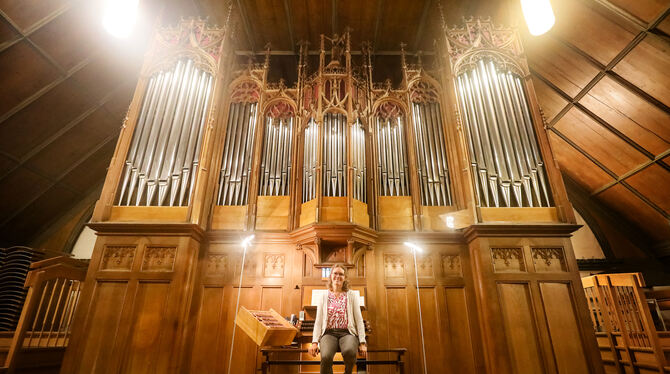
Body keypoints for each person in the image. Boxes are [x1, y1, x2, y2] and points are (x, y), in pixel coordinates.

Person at [308, 263, 367, 374]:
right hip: (329, 333)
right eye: (335, 273)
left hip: (347, 333)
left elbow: (359, 320)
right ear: (331, 276)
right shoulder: (323, 296)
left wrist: (362, 343)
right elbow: (318, 321)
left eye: (341, 274)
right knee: (325, 357)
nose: (338, 276)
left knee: (350, 351)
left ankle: (347, 372)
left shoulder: (352, 295)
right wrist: (314, 342)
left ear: (345, 278)